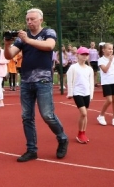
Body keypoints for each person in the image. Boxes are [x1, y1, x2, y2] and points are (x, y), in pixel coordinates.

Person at [4, 8, 68, 163]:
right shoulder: (22, 38)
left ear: (41, 20)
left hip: (43, 80)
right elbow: (9, 55)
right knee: (27, 117)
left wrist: (27, 40)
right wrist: (6, 44)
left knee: (47, 115)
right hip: (26, 81)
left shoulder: (48, 32)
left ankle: (62, 137)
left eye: (32, 19)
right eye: (27, 19)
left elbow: (49, 46)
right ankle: (31, 150)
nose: (29, 22)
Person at [66, 47, 94, 144]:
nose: (84, 56)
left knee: (85, 114)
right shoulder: (73, 67)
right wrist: (70, 93)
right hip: (77, 92)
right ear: (77, 55)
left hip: (87, 93)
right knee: (84, 113)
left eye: (86, 54)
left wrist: (91, 94)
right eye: (82, 54)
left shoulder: (89, 69)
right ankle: (80, 133)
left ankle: (83, 133)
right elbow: (69, 80)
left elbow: (91, 82)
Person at [96, 43, 114, 127]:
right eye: (109, 49)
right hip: (106, 82)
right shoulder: (101, 60)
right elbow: (105, 70)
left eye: (112, 49)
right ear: (103, 50)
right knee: (109, 100)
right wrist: (110, 61)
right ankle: (101, 115)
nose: (111, 50)